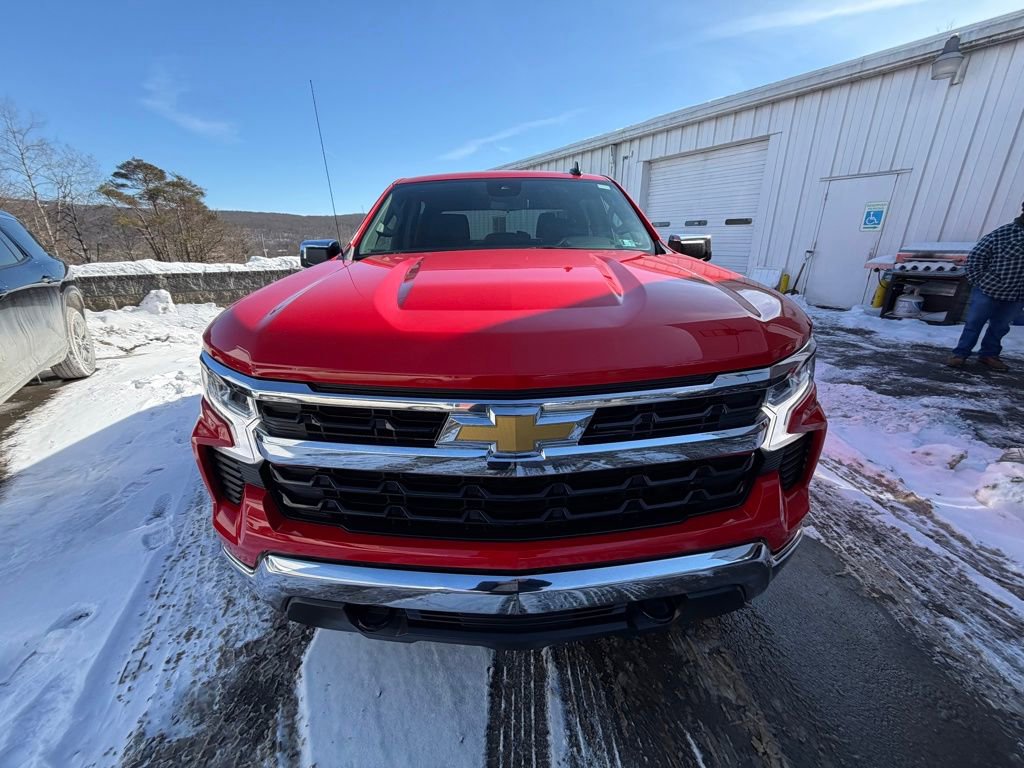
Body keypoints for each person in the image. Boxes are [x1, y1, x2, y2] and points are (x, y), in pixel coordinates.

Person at [947, 202, 1024, 371]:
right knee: (974, 323)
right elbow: (975, 258)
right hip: (989, 290)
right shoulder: (1003, 234)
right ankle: (960, 354)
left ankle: (989, 355)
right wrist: (980, 282)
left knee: (1001, 327)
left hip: (1017, 295)